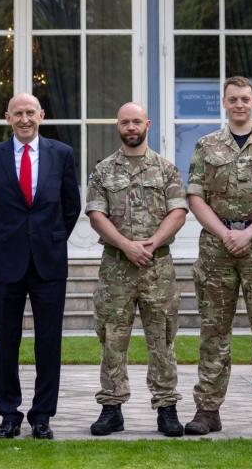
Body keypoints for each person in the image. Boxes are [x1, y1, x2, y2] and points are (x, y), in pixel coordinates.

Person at [184, 76, 252, 438]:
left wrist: (248, 232)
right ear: (224, 103)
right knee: (214, 331)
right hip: (217, 248)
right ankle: (208, 410)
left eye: (245, 99)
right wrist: (225, 233)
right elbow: (195, 196)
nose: (239, 105)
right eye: (233, 99)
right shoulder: (206, 145)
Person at [0, 92, 81, 440]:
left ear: (41, 115)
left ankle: (42, 415)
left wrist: (51, 238)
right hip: (4, 264)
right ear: (8, 118)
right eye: (17, 113)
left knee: (49, 342)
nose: (24, 119)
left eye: (30, 113)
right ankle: (8, 413)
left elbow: (71, 206)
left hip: (49, 263)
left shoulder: (61, 154)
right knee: (6, 341)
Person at [85, 102, 188, 438]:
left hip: (157, 268)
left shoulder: (166, 169)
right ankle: (111, 408)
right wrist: (127, 245)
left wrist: (152, 243)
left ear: (148, 124)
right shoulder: (102, 170)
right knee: (113, 338)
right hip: (116, 268)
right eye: (125, 122)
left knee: (162, 338)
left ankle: (167, 408)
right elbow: (96, 215)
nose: (131, 127)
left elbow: (178, 212)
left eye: (136, 122)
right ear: (118, 126)